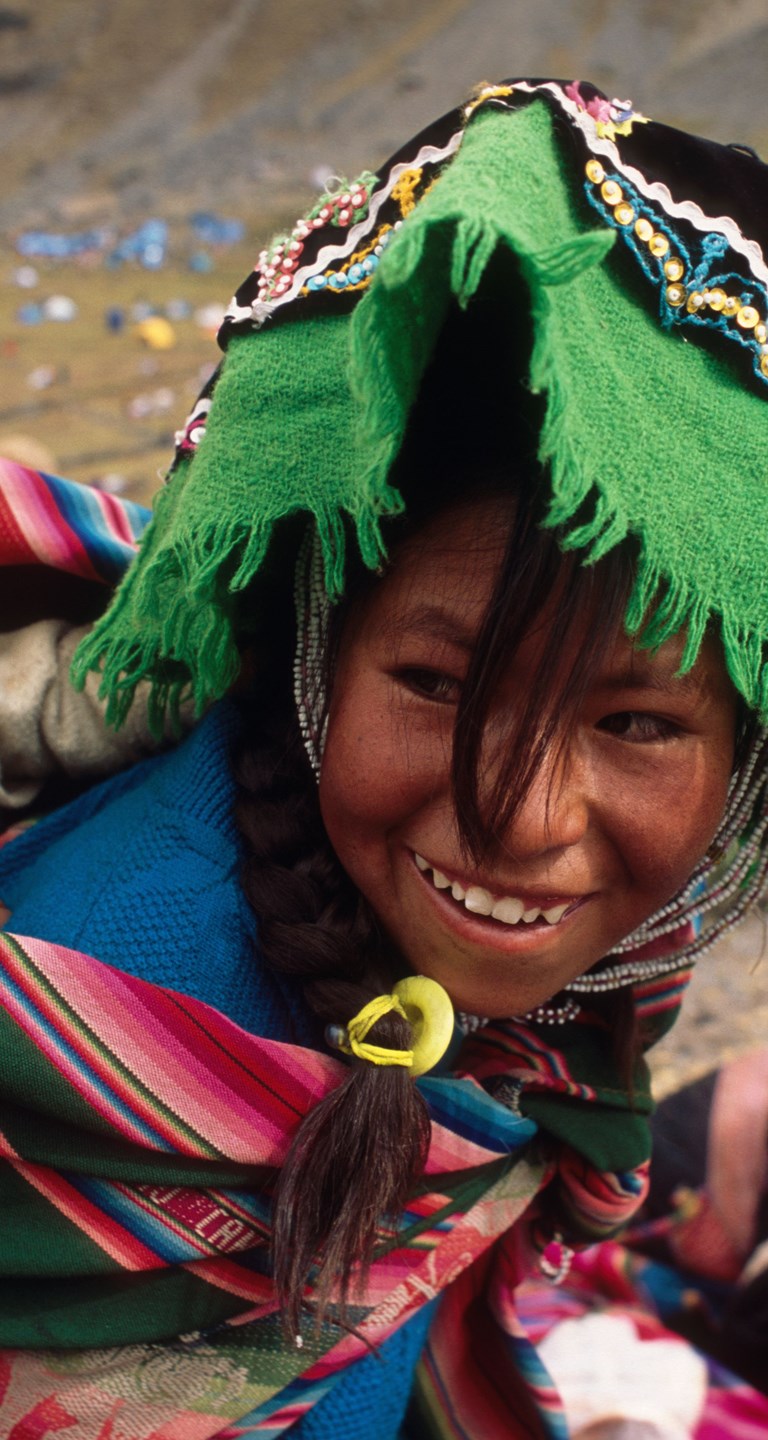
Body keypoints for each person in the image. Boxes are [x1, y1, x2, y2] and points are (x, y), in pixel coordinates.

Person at [1, 77, 768, 1439]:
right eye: (433, 683)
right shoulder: (114, 965)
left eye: (638, 724)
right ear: (317, 647)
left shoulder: (584, 973)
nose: (520, 820)